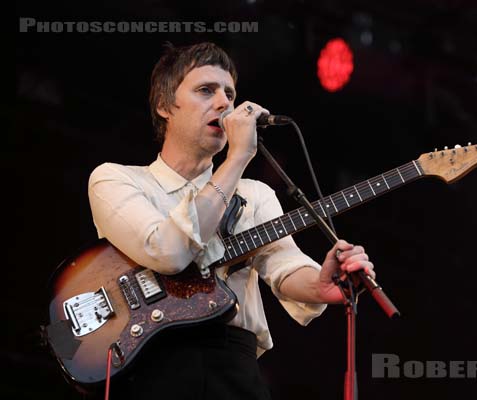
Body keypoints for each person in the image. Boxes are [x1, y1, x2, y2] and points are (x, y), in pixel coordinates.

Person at [87, 42, 375, 399]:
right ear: (164, 106)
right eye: (206, 90)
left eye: (230, 93)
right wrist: (238, 158)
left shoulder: (255, 195)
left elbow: (283, 267)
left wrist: (319, 284)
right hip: (151, 361)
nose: (225, 103)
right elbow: (169, 252)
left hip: (233, 367)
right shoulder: (117, 179)